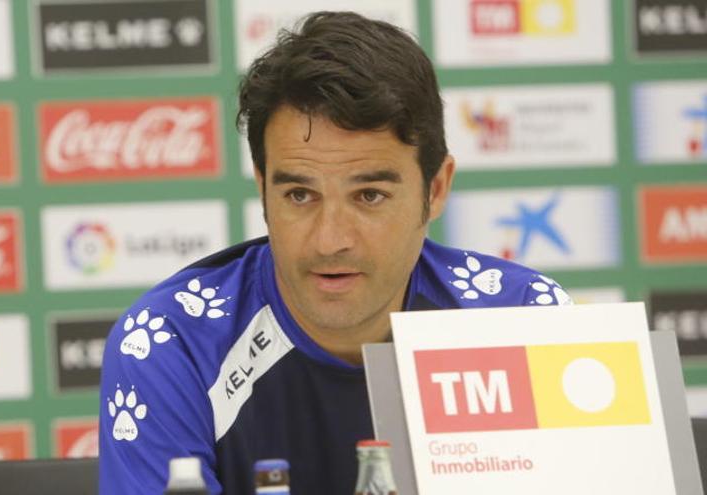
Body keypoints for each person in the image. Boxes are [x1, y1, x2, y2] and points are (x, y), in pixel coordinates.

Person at [99, 11, 571, 495]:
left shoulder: (522, 321)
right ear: (263, 190)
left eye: (369, 196)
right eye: (300, 195)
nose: (330, 240)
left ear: (436, 188)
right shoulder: (172, 343)